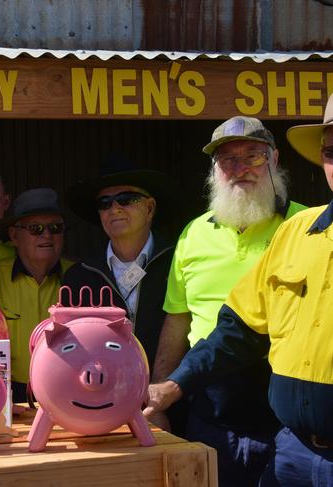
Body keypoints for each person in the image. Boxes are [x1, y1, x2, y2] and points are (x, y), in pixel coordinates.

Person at [145, 95, 333, 487]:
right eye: (228, 160)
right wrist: (168, 389)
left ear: (275, 160)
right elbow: (194, 322)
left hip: (276, 418)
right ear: (215, 171)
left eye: (253, 156)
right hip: (213, 409)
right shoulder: (196, 233)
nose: (240, 169)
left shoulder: (297, 222)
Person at [62, 155, 174, 376]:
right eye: (104, 203)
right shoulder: (80, 274)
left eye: (126, 199)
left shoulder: (178, 262)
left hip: (171, 397)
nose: (114, 208)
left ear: (150, 208)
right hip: (101, 397)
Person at [0, 188, 73, 403]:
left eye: (55, 228)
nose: (47, 235)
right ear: (14, 236)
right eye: (36, 229)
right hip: (6, 394)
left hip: (67, 391)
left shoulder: (78, 276)